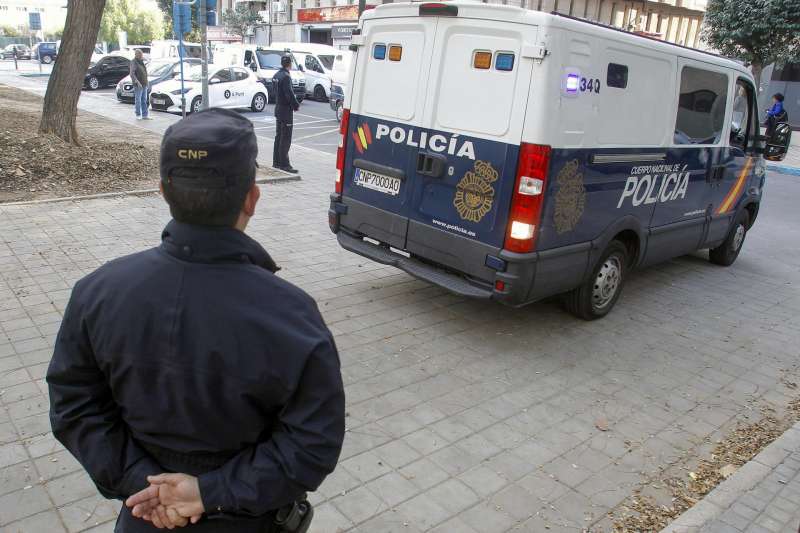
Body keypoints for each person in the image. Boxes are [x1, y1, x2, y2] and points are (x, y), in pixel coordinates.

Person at [47, 108, 345, 532]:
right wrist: (209, 491)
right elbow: (312, 444)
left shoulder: (96, 292)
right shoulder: (292, 315)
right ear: (251, 199)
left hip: (144, 516)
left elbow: (74, 404)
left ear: (163, 190)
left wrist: (143, 484)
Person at [272, 55, 300, 174]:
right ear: (290, 64)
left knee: (279, 136)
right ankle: (284, 164)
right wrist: (296, 105)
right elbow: (289, 94)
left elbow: (275, 92)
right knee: (286, 137)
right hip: (285, 111)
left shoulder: (276, 75)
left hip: (278, 108)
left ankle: (276, 162)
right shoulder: (286, 77)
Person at [131, 49, 151, 120]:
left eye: (142, 54)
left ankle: (145, 115)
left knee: (144, 100)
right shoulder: (134, 62)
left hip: (144, 83)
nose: (141, 56)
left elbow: (145, 72)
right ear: (136, 55)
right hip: (138, 85)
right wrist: (137, 82)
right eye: (140, 54)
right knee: (138, 100)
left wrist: (147, 81)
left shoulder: (141, 62)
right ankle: (138, 114)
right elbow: (132, 74)